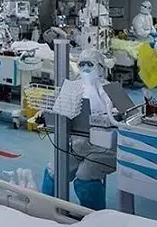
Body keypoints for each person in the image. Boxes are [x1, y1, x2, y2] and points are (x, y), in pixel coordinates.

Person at [42, 49, 116, 210]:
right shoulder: (72, 87)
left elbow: (130, 117)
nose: (85, 68)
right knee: (54, 171)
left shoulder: (112, 89)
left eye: (90, 64)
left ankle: (94, 217)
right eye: (82, 64)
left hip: (103, 150)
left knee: (85, 178)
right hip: (76, 146)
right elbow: (57, 114)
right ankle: (46, 210)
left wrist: (110, 117)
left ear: (101, 67)